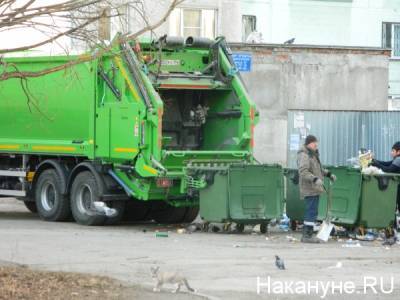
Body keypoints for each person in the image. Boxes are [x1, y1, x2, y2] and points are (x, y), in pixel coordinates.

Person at [297, 135, 336, 243]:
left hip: (314, 188)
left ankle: (308, 234)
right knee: (311, 211)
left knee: (313, 211)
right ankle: (307, 236)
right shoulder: (304, 155)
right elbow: (303, 171)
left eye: (317, 144)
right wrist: (314, 179)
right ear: (309, 143)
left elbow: (318, 169)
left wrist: (329, 174)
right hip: (309, 188)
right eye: (315, 144)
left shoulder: (312, 154)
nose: (316, 145)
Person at [371, 141, 400, 212]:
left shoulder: (399, 159)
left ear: (398, 151)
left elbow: (388, 170)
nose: (391, 153)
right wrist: (373, 161)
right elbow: (386, 163)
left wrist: (375, 164)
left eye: (393, 151)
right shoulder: (396, 159)